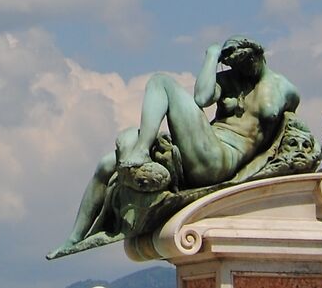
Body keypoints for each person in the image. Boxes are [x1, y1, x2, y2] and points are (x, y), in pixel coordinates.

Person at [50, 38, 302, 258]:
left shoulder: (285, 89)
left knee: (161, 82)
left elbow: (289, 132)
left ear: (258, 55)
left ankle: (141, 150)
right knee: (107, 164)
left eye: (245, 62)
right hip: (200, 148)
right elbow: (202, 98)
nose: (241, 70)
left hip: (222, 158)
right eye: (234, 64)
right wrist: (212, 55)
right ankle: (74, 237)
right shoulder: (229, 79)